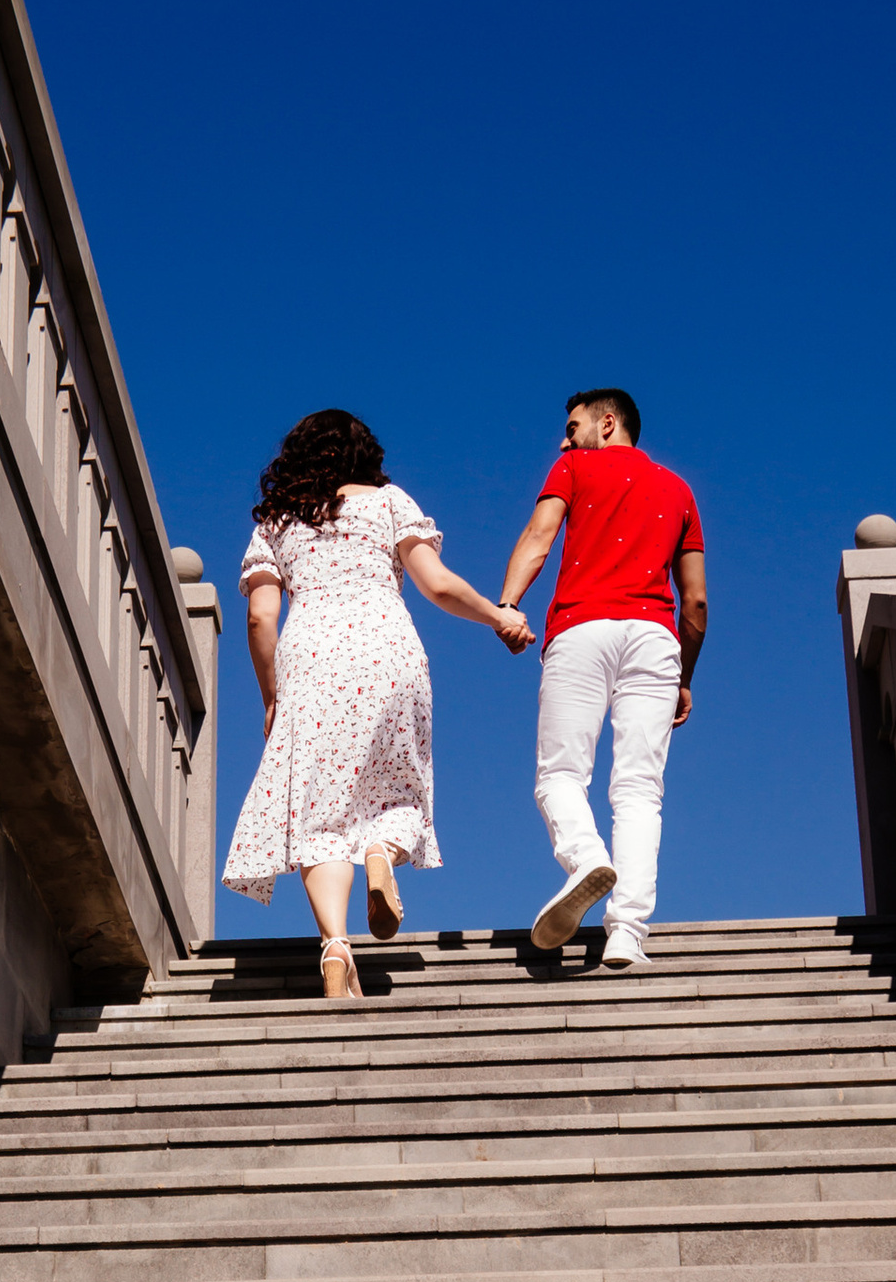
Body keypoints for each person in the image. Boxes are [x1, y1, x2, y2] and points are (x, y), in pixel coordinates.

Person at [224, 407, 532, 998]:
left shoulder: (276, 525)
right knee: (396, 786)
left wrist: (270, 695)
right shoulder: (390, 502)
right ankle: (381, 851)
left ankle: (335, 947)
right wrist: (499, 616)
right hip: (387, 652)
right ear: (366, 454)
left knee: (319, 812)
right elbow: (437, 584)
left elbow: (261, 616)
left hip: (312, 662)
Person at [497, 386, 707, 966]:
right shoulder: (679, 490)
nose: (565, 439)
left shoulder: (572, 467)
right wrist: (683, 676)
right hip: (655, 639)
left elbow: (539, 538)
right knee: (640, 791)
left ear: (607, 423)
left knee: (560, 775)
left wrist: (509, 605)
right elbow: (695, 603)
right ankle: (627, 933)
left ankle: (586, 858)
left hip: (581, 629)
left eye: (573, 426)